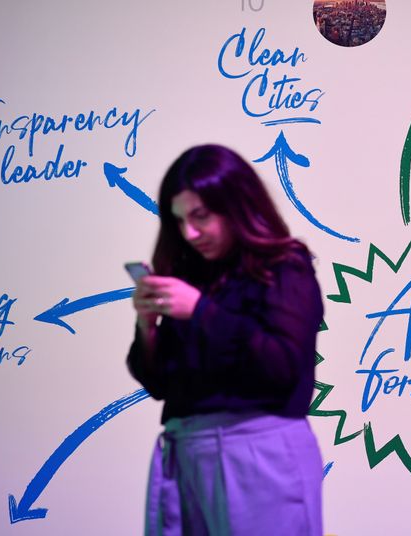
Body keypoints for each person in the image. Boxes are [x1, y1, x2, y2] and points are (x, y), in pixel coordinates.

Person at [126, 144, 324, 536]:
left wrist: (201, 312)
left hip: (259, 450)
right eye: (180, 220)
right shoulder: (191, 276)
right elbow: (160, 385)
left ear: (238, 204)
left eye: (201, 216)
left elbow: (282, 367)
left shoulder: (285, 267)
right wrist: (147, 325)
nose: (190, 233)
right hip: (187, 451)